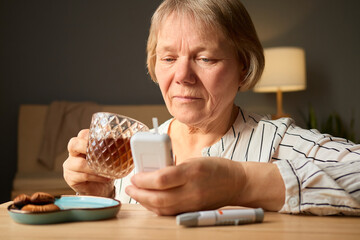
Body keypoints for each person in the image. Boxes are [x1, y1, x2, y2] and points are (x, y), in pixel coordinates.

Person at [63, 0, 360, 216]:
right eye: (168, 58)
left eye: (205, 58)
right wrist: (101, 196)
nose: (182, 76)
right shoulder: (130, 153)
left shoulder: (276, 142)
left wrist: (241, 183)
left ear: (243, 67)